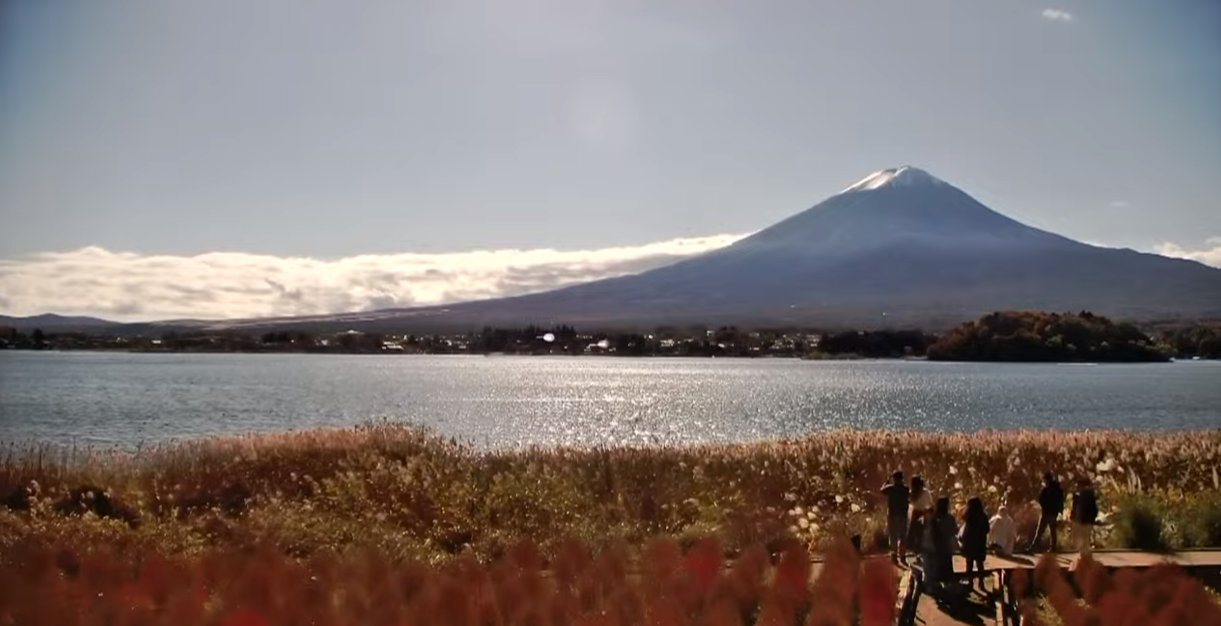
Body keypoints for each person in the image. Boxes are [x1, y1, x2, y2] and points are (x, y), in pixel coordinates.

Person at [924, 496, 958, 596]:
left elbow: (930, 532)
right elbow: (953, 532)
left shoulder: (934, 518)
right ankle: (947, 585)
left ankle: (934, 586)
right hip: (946, 546)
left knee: (935, 567)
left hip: (936, 546)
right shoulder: (950, 518)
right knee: (947, 565)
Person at [1027, 472, 1064, 552]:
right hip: (1053, 512)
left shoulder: (1046, 489)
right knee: (1052, 531)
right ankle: (1053, 547)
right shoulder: (1058, 489)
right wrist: (1060, 510)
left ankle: (1035, 546)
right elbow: (1060, 501)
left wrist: (1043, 506)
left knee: (1040, 530)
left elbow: (1041, 499)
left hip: (1046, 512)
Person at [959, 496, 990, 592]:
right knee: (980, 564)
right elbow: (987, 529)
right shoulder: (983, 515)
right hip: (980, 542)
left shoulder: (969, 515)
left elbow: (962, 518)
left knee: (969, 563)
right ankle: (981, 582)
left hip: (970, 543)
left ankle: (970, 582)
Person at [881, 471, 910, 564]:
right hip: (902, 515)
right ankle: (902, 556)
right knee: (902, 536)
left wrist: (886, 482)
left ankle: (894, 556)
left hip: (893, 515)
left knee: (893, 536)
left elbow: (882, 490)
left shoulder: (890, 488)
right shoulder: (905, 489)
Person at [907, 476, 934, 557]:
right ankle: (920, 550)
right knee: (922, 533)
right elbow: (930, 504)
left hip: (915, 513)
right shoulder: (925, 492)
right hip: (924, 513)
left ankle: (916, 550)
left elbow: (910, 503)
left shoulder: (912, 493)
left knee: (915, 533)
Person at [1071, 479, 1099, 553]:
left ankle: (1083, 555)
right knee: (1085, 538)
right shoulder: (1088, 495)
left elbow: (1076, 508)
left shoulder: (1082, 496)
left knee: (1082, 538)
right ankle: (1084, 554)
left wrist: (1073, 516)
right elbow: (1094, 508)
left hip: (1082, 519)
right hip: (1086, 519)